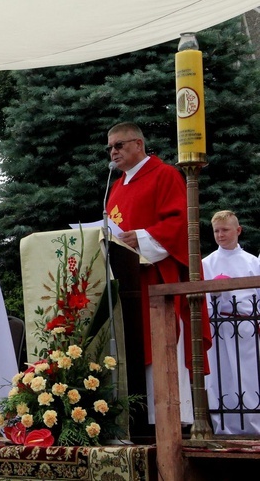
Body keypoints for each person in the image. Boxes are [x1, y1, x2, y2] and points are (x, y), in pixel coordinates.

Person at [104, 121, 211, 425]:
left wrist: (142, 237)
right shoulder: (116, 187)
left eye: (119, 145)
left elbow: (180, 225)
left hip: (155, 284)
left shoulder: (164, 175)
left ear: (138, 144)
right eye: (110, 147)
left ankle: (170, 422)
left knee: (158, 352)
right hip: (128, 286)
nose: (113, 152)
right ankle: (137, 422)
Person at [202, 210, 260, 435]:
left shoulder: (252, 262)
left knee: (248, 376)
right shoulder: (207, 263)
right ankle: (224, 427)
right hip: (219, 326)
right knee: (221, 376)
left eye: (225, 230)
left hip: (246, 326)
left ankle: (254, 426)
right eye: (216, 231)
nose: (220, 235)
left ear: (238, 230)